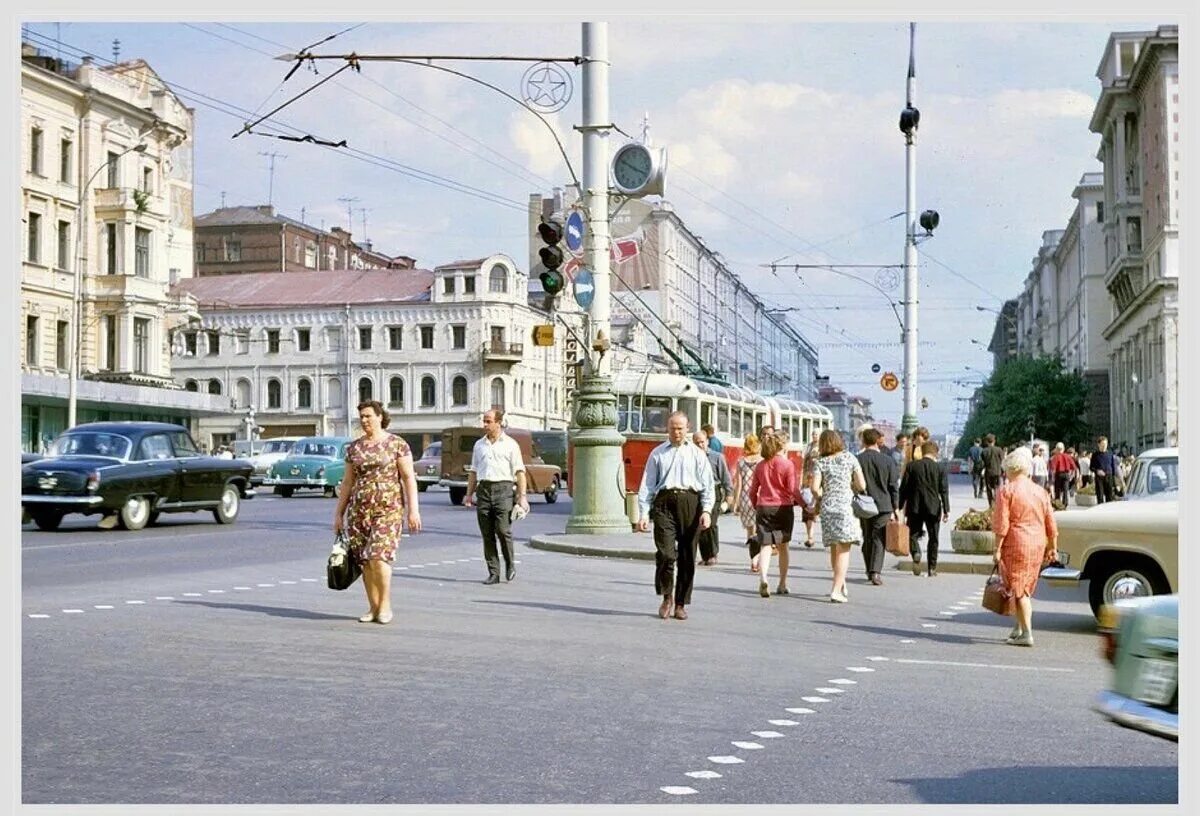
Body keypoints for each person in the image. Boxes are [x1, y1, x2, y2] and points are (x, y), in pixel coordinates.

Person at [334, 400, 422, 624]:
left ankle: (385, 605)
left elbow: (408, 478)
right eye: (361, 417)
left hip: (388, 509)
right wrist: (339, 514)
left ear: (380, 417)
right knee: (365, 561)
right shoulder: (354, 448)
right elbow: (347, 483)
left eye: (368, 416)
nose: (364, 421)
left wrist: (414, 511)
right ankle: (373, 607)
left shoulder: (397, 444)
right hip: (359, 512)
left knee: (378, 557)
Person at [635, 411, 715, 621]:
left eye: (680, 428)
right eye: (673, 428)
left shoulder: (697, 454)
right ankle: (666, 597)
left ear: (687, 429)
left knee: (687, 555)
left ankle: (681, 603)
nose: (677, 432)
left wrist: (706, 510)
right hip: (664, 504)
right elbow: (648, 484)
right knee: (666, 554)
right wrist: (643, 514)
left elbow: (707, 485)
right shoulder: (658, 453)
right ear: (667, 429)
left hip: (691, 503)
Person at [991, 446, 1058, 647]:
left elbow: (1002, 524)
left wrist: (996, 548)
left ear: (1010, 470)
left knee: (1019, 590)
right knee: (1024, 586)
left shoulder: (1006, 490)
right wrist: (1052, 546)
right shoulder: (1041, 491)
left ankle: (1027, 632)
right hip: (1037, 542)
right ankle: (1019, 628)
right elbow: (1051, 523)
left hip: (1016, 542)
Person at [464, 409, 529, 584]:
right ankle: (493, 572)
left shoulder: (510, 444)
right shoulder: (479, 445)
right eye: (484, 421)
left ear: (498, 423)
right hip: (484, 490)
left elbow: (520, 472)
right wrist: (468, 495)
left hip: (504, 489)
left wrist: (522, 497)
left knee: (502, 530)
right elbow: (474, 471)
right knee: (487, 534)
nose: (484, 425)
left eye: (488, 421)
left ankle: (510, 564)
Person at [811, 428, 865, 603]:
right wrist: (850, 486)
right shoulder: (849, 458)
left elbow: (814, 488)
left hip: (827, 507)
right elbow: (861, 484)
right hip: (845, 507)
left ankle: (840, 583)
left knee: (835, 547)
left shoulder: (820, 462)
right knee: (844, 549)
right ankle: (835, 590)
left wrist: (822, 496)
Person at [749, 431, 796, 597]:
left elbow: (753, 491)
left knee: (765, 545)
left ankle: (763, 578)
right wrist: (804, 505)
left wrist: (757, 506)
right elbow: (792, 490)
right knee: (783, 547)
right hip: (783, 508)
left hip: (764, 507)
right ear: (782, 446)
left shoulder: (760, 465)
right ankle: (782, 583)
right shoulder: (787, 464)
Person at [899, 440, 950, 577]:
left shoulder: (912, 466)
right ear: (936, 453)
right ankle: (932, 568)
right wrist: (946, 509)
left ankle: (916, 552)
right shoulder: (940, 468)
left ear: (922, 451)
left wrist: (899, 505)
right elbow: (944, 490)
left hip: (914, 506)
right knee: (934, 538)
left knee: (913, 534)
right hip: (933, 507)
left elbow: (904, 488)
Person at [856, 427, 899, 586]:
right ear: (877, 441)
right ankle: (875, 572)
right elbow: (893, 486)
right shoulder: (888, 461)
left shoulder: (857, 459)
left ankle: (868, 569)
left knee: (867, 536)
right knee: (878, 538)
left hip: (864, 504)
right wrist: (896, 508)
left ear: (863, 441)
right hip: (884, 505)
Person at [694, 429, 732, 566]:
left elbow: (725, 478)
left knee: (711, 523)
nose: (700, 445)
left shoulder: (717, 457)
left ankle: (713, 554)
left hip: (714, 492)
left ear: (707, 442)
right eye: (697, 443)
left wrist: (729, 495)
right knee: (700, 524)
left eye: (702, 442)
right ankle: (705, 555)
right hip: (697, 492)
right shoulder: (692, 457)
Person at [731, 433, 764, 573]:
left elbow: (738, 484)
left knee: (750, 531)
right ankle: (759, 560)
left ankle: (753, 561)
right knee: (760, 530)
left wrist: (736, 502)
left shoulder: (741, 462)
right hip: (760, 497)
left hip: (745, 498)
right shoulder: (762, 461)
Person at [800, 430, 821, 547]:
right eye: (813, 434)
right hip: (807, 480)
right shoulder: (808, 447)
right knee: (808, 510)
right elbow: (803, 465)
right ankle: (810, 537)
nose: (814, 436)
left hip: (818, 482)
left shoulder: (823, 448)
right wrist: (801, 482)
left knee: (817, 509)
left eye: (816, 434)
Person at [1090, 437, 1119, 504]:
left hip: (1109, 476)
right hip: (1099, 478)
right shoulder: (1095, 455)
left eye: (1105, 444)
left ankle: (1109, 512)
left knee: (1109, 496)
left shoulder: (1110, 454)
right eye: (1102, 444)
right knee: (1100, 496)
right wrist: (1097, 471)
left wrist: (1115, 482)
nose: (1104, 446)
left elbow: (1113, 467)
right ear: (1098, 444)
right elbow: (1091, 467)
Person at [980, 434, 1004, 506]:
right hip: (998, 472)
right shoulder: (999, 450)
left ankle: (991, 504)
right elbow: (1002, 461)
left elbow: (983, 462)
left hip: (988, 472)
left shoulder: (984, 451)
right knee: (997, 488)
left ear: (987, 442)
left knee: (989, 489)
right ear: (994, 441)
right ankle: (997, 502)